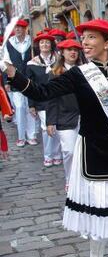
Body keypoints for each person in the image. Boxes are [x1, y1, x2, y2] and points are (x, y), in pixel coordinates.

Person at [2, 18, 108, 257]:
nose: (85, 44)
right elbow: (41, 92)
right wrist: (11, 72)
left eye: (91, 38)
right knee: (98, 215)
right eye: (84, 38)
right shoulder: (80, 74)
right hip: (91, 151)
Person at [46, 39, 82, 190]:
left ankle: (83, 179)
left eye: (75, 49)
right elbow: (51, 99)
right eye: (69, 50)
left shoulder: (85, 69)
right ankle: (70, 179)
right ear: (63, 53)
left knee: (84, 152)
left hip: (84, 116)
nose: (73, 52)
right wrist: (50, 121)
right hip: (64, 117)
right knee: (69, 151)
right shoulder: (55, 74)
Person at [26, 32, 62, 168]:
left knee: (58, 127)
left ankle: (57, 154)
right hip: (41, 101)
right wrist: (31, 105)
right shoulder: (32, 64)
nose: (45, 45)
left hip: (57, 99)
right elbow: (30, 86)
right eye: (42, 42)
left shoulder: (58, 60)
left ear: (51, 45)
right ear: (38, 46)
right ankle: (48, 155)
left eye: (47, 42)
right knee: (46, 128)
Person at [3, 19, 37, 147]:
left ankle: (32, 135)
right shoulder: (9, 43)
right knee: (19, 107)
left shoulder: (32, 42)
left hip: (30, 79)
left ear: (25, 29)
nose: (17, 29)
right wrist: (7, 80)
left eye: (20, 27)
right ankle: (21, 136)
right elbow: (6, 62)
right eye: (16, 27)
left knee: (30, 107)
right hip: (15, 79)